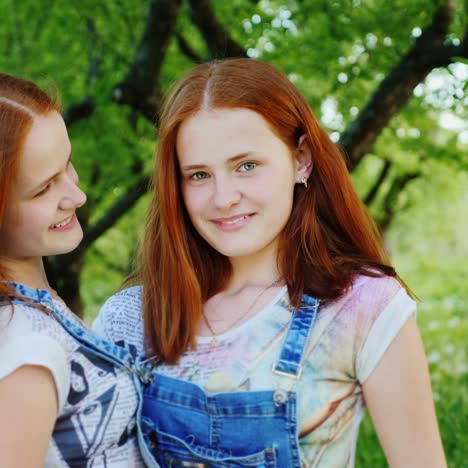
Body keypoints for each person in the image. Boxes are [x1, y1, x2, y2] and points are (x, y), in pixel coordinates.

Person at [94, 59, 446, 467]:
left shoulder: (361, 306)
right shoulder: (132, 318)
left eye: (247, 166)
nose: (223, 197)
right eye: (199, 175)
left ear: (301, 161)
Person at [0, 73, 149, 467]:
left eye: (68, 164)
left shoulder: (38, 310)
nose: (77, 196)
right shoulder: (25, 345)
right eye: (44, 188)